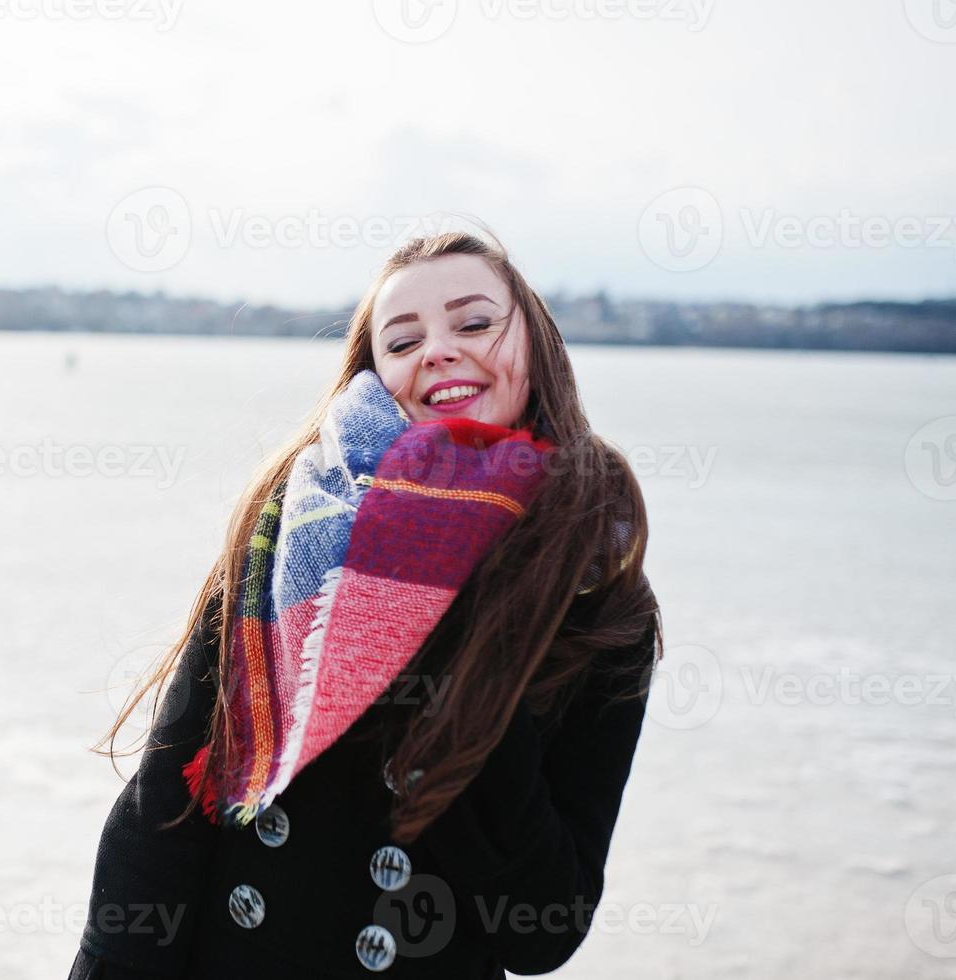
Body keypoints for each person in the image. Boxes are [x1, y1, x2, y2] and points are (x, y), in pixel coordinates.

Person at [69, 229, 664, 978]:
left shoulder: (592, 589)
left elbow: (541, 930)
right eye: (402, 339)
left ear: (537, 348)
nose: (438, 350)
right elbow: (162, 812)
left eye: (473, 322)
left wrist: (459, 635)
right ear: (376, 375)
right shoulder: (293, 533)